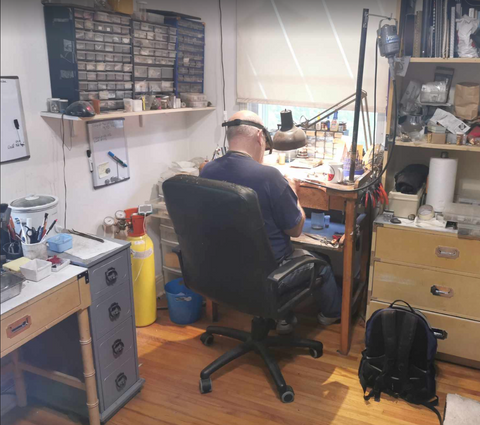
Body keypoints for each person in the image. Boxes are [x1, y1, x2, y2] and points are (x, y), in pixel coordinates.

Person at [200, 111, 342, 329]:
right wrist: (294, 194)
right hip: (271, 275)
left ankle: (281, 317)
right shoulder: (269, 177)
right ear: (260, 136)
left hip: (225, 271)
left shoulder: (207, 171)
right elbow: (295, 229)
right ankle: (330, 314)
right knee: (323, 263)